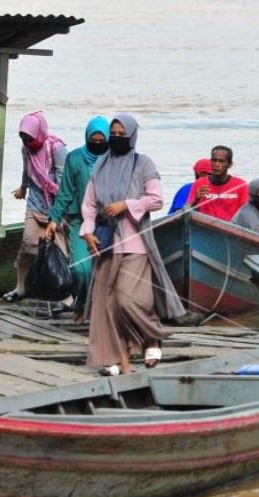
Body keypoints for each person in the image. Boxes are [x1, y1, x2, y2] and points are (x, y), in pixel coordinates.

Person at [80, 113, 185, 375]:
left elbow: (156, 199)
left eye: (121, 134)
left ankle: (153, 336)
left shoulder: (144, 163)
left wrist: (127, 205)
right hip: (106, 243)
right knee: (107, 305)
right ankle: (119, 360)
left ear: (132, 136)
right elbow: (89, 205)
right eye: (112, 134)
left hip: (135, 243)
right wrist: (88, 232)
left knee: (127, 301)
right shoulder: (101, 166)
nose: (116, 138)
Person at [44, 116, 110, 325]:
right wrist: (53, 219)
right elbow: (65, 193)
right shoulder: (75, 158)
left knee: (105, 270)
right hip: (79, 222)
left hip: (107, 222)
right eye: (94, 141)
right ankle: (81, 301)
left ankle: (94, 311)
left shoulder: (114, 159)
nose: (98, 145)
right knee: (82, 269)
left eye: (102, 141)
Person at [3, 111, 69, 303]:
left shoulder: (57, 149)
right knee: (28, 245)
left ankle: (65, 295)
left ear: (39, 132)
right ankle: (21, 287)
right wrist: (23, 188)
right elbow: (27, 170)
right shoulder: (26, 150)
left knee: (60, 249)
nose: (26, 141)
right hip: (35, 202)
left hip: (57, 205)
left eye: (29, 137)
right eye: (23, 137)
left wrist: (59, 211)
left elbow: (64, 182)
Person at [185, 146, 248, 221]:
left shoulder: (241, 185)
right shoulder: (199, 184)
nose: (217, 164)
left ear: (230, 164)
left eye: (221, 161)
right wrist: (196, 200)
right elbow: (186, 211)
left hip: (230, 229)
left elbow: (246, 214)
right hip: (204, 228)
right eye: (214, 160)